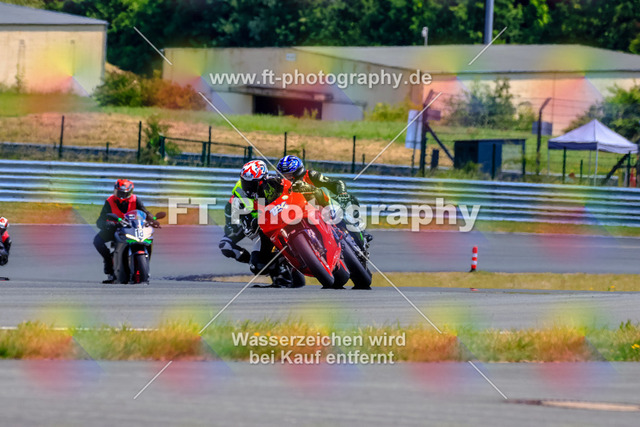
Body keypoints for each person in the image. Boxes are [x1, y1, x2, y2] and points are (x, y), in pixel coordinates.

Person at [239, 160, 299, 288]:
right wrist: (252, 225)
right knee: (257, 266)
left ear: (262, 179)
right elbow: (247, 230)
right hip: (268, 230)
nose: (248, 186)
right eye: (246, 183)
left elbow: (293, 189)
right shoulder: (244, 200)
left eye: (252, 183)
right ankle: (282, 272)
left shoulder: (276, 182)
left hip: (290, 214)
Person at [94, 179, 153, 283]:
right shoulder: (109, 201)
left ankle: (145, 263)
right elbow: (100, 221)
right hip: (116, 228)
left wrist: (151, 219)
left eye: (124, 193)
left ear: (130, 192)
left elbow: (145, 213)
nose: (121, 196)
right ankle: (109, 262)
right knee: (97, 241)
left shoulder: (136, 200)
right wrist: (109, 224)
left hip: (132, 227)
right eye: (119, 192)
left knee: (148, 238)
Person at [218, 180, 254, 264]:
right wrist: (230, 226)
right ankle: (253, 263)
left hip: (265, 223)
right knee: (225, 245)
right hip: (249, 225)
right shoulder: (238, 194)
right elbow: (230, 227)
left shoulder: (268, 187)